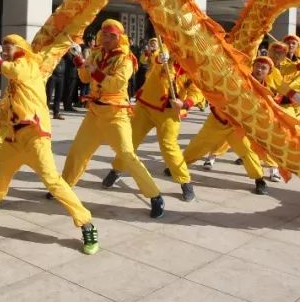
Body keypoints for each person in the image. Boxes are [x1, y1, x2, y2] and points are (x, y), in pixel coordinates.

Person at [0, 34, 100, 254]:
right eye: (4, 46)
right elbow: (9, 111)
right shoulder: (13, 84)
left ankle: (87, 223)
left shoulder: (28, 64)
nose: (5, 49)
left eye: (9, 46)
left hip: (35, 137)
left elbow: (15, 70)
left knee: (53, 182)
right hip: (14, 139)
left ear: (20, 48)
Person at [61, 19, 166, 218]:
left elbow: (116, 84)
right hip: (94, 112)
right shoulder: (97, 52)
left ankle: (155, 195)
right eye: (105, 34)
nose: (107, 39)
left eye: (112, 36)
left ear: (119, 38)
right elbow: (84, 78)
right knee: (78, 151)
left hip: (116, 114)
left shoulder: (126, 59)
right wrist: (78, 59)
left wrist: (94, 71)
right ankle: (64, 187)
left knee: (127, 154)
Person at [102, 37, 201, 201]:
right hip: (145, 107)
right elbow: (155, 61)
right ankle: (116, 170)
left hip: (169, 113)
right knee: (129, 142)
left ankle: (185, 182)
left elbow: (197, 93)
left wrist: (185, 103)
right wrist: (160, 59)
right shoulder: (165, 55)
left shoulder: (195, 71)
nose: (183, 52)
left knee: (169, 148)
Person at [181, 56, 283, 195]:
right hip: (218, 119)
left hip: (238, 127)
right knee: (199, 144)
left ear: (269, 72)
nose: (259, 69)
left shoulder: (266, 91)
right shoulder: (238, 78)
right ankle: (179, 166)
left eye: (263, 68)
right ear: (252, 66)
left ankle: (259, 180)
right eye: (257, 66)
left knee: (247, 151)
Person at [46, 47, 68, 120]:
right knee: (48, 95)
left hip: (61, 77)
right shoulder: (53, 54)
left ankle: (56, 113)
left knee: (58, 97)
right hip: (53, 76)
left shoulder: (64, 55)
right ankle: (45, 112)